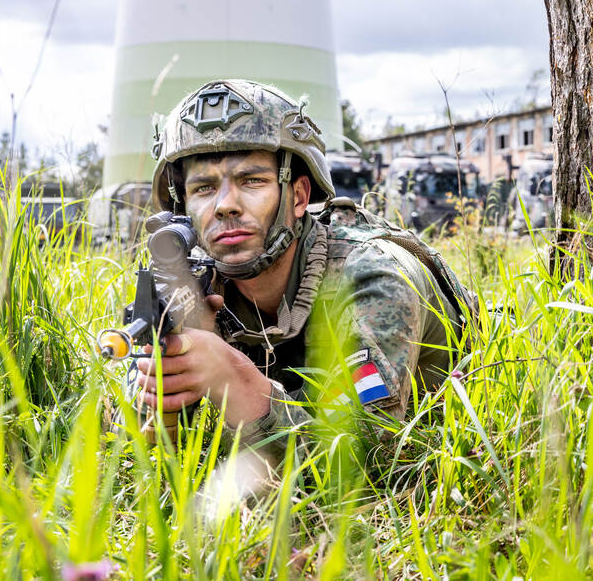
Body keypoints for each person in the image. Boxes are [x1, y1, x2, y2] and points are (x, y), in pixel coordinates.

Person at [134, 79, 473, 461]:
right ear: (182, 208)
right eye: (203, 188)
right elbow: (136, 450)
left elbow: (364, 451)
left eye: (252, 181)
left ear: (297, 198)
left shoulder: (373, 276)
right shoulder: (196, 283)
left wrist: (235, 379)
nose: (225, 205)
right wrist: (168, 404)